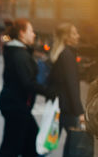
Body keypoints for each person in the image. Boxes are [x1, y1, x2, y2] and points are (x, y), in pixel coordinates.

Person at [0, 18, 54, 157]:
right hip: (17, 107)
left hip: (16, 106)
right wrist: (49, 92)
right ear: (22, 33)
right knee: (14, 147)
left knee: (24, 146)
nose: (34, 34)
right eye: (31, 31)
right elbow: (27, 82)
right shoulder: (19, 54)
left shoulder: (18, 51)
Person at [49, 23, 87, 155]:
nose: (78, 36)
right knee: (73, 144)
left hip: (60, 107)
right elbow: (72, 86)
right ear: (67, 37)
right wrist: (80, 112)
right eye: (75, 33)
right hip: (67, 109)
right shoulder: (67, 55)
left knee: (50, 143)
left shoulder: (60, 54)